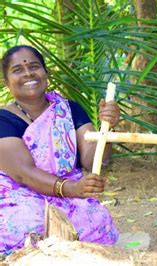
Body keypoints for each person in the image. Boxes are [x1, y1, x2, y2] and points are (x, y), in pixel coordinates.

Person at [0, 45, 120, 255]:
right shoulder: (3, 119)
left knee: (96, 218)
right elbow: (23, 173)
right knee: (29, 225)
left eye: (34, 67)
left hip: (70, 195)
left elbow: (93, 161)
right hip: (20, 196)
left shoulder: (70, 110)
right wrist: (72, 189)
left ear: (46, 73)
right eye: (17, 70)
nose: (28, 73)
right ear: (6, 82)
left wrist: (107, 129)